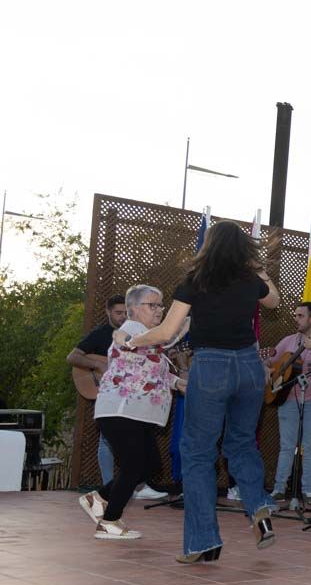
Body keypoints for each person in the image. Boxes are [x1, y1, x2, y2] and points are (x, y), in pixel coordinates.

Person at [128, 219, 281, 563]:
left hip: (211, 366)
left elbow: (167, 332)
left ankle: (203, 542)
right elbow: (274, 301)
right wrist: (259, 269)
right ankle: (258, 507)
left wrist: (132, 340)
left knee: (198, 453)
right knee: (241, 442)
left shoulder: (195, 281)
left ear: (208, 246)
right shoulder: (250, 280)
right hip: (249, 368)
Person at [78, 285, 186, 539]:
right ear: (134, 309)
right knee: (134, 466)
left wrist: (176, 382)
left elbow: (150, 369)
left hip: (134, 413)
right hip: (121, 411)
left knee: (149, 466)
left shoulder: (145, 337)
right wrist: (185, 321)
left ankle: (98, 498)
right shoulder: (131, 330)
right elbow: (164, 337)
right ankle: (109, 521)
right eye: (153, 305)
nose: (159, 310)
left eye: (161, 305)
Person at [67, 294, 168, 499]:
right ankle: (112, 488)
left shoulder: (141, 334)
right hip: (114, 397)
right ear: (108, 313)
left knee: (137, 456)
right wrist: (98, 364)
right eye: (117, 312)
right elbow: (73, 356)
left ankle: (127, 487)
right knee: (108, 442)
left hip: (131, 398)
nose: (122, 316)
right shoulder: (102, 334)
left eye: (125, 312)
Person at [268, 301, 311, 506]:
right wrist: (270, 372)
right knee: (287, 446)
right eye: (296, 315)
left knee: (310, 445)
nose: (296, 319)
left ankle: (307, 490)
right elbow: (270, 361)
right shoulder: (288, 341)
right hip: (289, 398)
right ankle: (279, 489)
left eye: (300, 315)